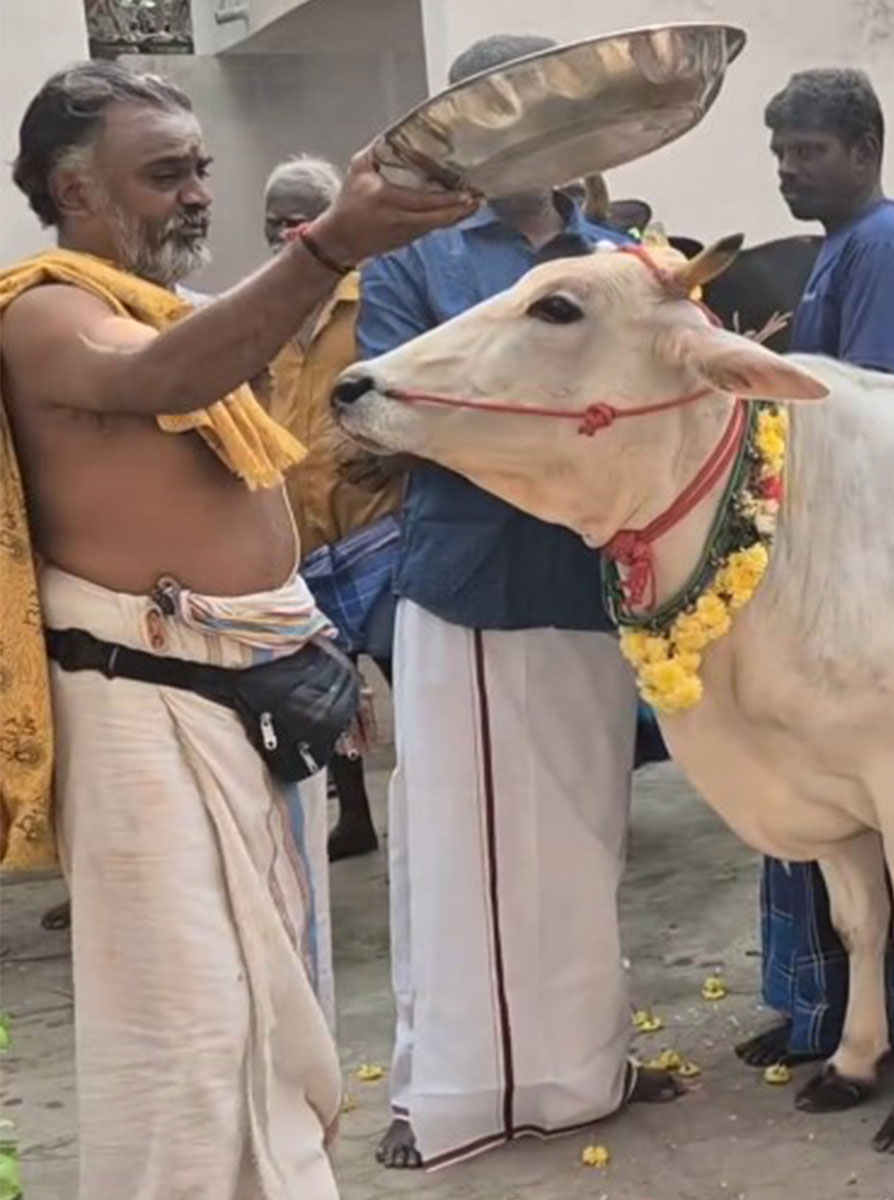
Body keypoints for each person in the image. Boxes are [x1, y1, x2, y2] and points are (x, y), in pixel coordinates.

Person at [0, 60, 475, 1199]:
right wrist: (329, 245)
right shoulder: (44, 314)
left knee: (271, 1014)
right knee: (192, 1031)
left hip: (248, 699)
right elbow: (172, 374)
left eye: (203, 167)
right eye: (165, 175)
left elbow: (235, 331)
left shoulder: (158, 304)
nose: (198, 194)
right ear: (76, 193)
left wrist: (375, 210)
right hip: (143, 707)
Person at [358, 33, 683, 1173]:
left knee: (585, 842)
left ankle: (581, 1069)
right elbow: (391, 415)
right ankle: (443, 1093)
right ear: (467, 133)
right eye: (506, 119)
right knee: (459, 849)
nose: (535, 141)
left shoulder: (628, 260)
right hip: (473, 586)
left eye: (559, 118)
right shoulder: (418, 264)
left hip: (593, 584)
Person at [735, 67, 894, 1075]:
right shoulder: (841, 247)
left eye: (807, 153)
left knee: (886, 787)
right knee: (826, 789)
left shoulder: (883, 249)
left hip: (877, 553)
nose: (788, 173)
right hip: (844, 545)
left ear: (864, 151)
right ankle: (822, 1009)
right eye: (780, 155)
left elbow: (863, 411)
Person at [262, 153, 403, 861]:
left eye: (303, 218)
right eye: (276, 222)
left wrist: (389, 452)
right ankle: (356, 818)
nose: (289, 234)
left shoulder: (375, 295)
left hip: (380, 529)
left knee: (407, 677)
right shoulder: (264, 310)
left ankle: (434, 817)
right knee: (328, 689)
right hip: (304, 539)